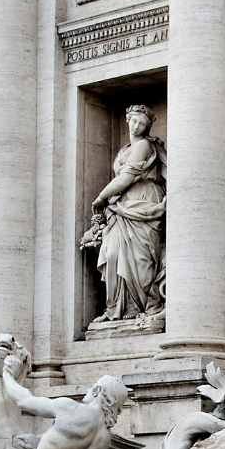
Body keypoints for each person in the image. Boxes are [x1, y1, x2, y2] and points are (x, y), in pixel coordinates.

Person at [82, 105, 165, 322]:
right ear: (127, 120)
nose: (137, 126)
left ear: (147, 127)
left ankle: (136, 307)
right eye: (134, 121)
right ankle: (115, 309)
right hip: (123, 204)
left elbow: (126, 178)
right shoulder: (124, 150)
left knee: (140, 258)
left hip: (144, 201)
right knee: (112, 254)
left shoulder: (144, 146)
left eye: (142, 124)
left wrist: (100, 197)